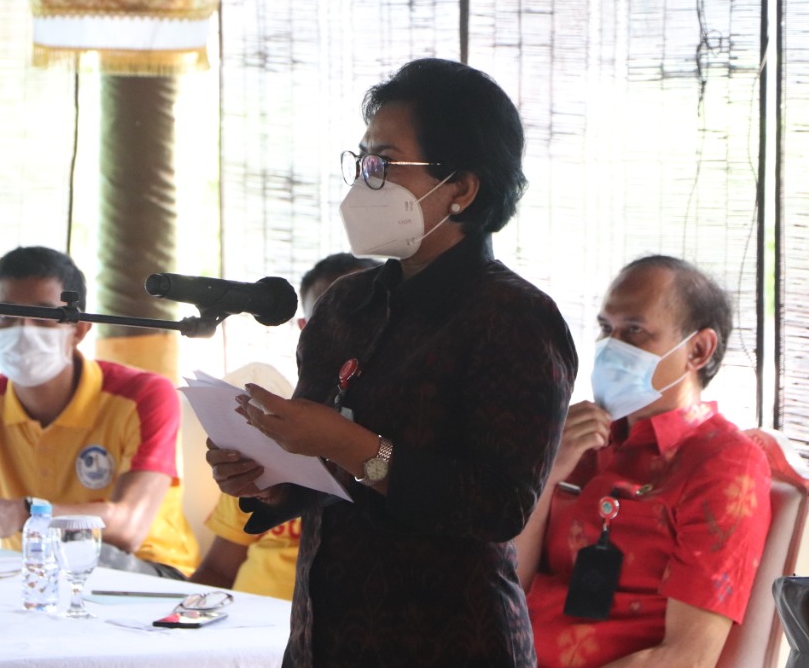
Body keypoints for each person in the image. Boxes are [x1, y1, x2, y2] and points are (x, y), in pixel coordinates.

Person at [209, 58, 579, 666]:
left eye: (383, 163)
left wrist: (356, 446)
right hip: (324, 634)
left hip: (448, 639)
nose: (364, 181)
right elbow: (319, 471)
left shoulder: (514, 317)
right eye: (361, 162)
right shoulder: (346, 303)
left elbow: (500, 505)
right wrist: (267, 477)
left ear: (460, 188)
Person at [0, 245, 198, 578]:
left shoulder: (143, 396)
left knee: (79, 555)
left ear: (78, 330)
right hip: (29, 579)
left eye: (43, 316)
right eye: (5, 316)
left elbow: (129, 529)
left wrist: (27, 513)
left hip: (149, 576)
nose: (23, 330)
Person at [515, 255, 772, 668]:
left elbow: (686, 657)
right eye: (606, 329)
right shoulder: (578, 442)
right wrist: (545, 474)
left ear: (698, 350)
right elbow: (507, 583)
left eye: (634, 330)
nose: (611, 348)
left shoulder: (724, 464)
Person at [189, 252, 376, 599]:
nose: (347, 330)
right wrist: (262, 488)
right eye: (328, 317)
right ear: (307, 330)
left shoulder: (410, 426)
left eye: (362, 314)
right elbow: (218, 569)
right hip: (246, 621)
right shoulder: (269, 430)